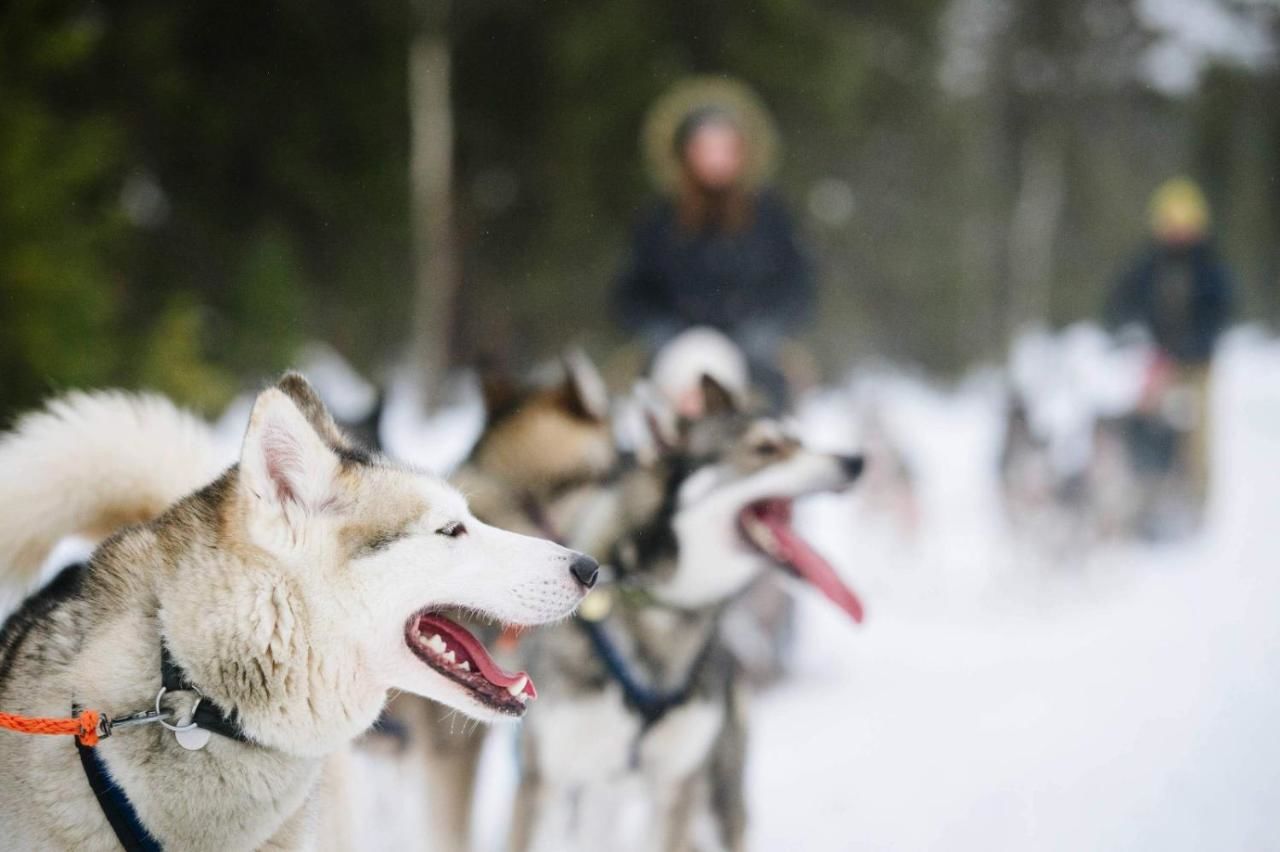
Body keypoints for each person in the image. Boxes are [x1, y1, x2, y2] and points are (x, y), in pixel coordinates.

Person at [613, 77, 815, 409]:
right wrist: (662, 330)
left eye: (725, 146)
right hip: (676, 350)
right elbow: (629, 293)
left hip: (754, 355)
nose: (716, 158)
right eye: (705, 147)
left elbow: (799, 286)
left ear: (742, 151)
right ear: (685, 152)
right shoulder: (658, 219)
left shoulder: (769, 215)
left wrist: (765, 328)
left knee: (768, 402)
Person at [1108, 177, 1233, 520]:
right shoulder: (1150, 265)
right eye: (1170, 225)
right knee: (1145, 418)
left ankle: (1197, 500)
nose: (1176, 232)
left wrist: (1195, 342)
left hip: (1197, 363)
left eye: (1182, 225)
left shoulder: (1209, 268)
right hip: (1160, 361)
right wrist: (1124, 327)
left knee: (1196, 432)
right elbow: (1122, 298)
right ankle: (1145, 491)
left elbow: (1219, 313)